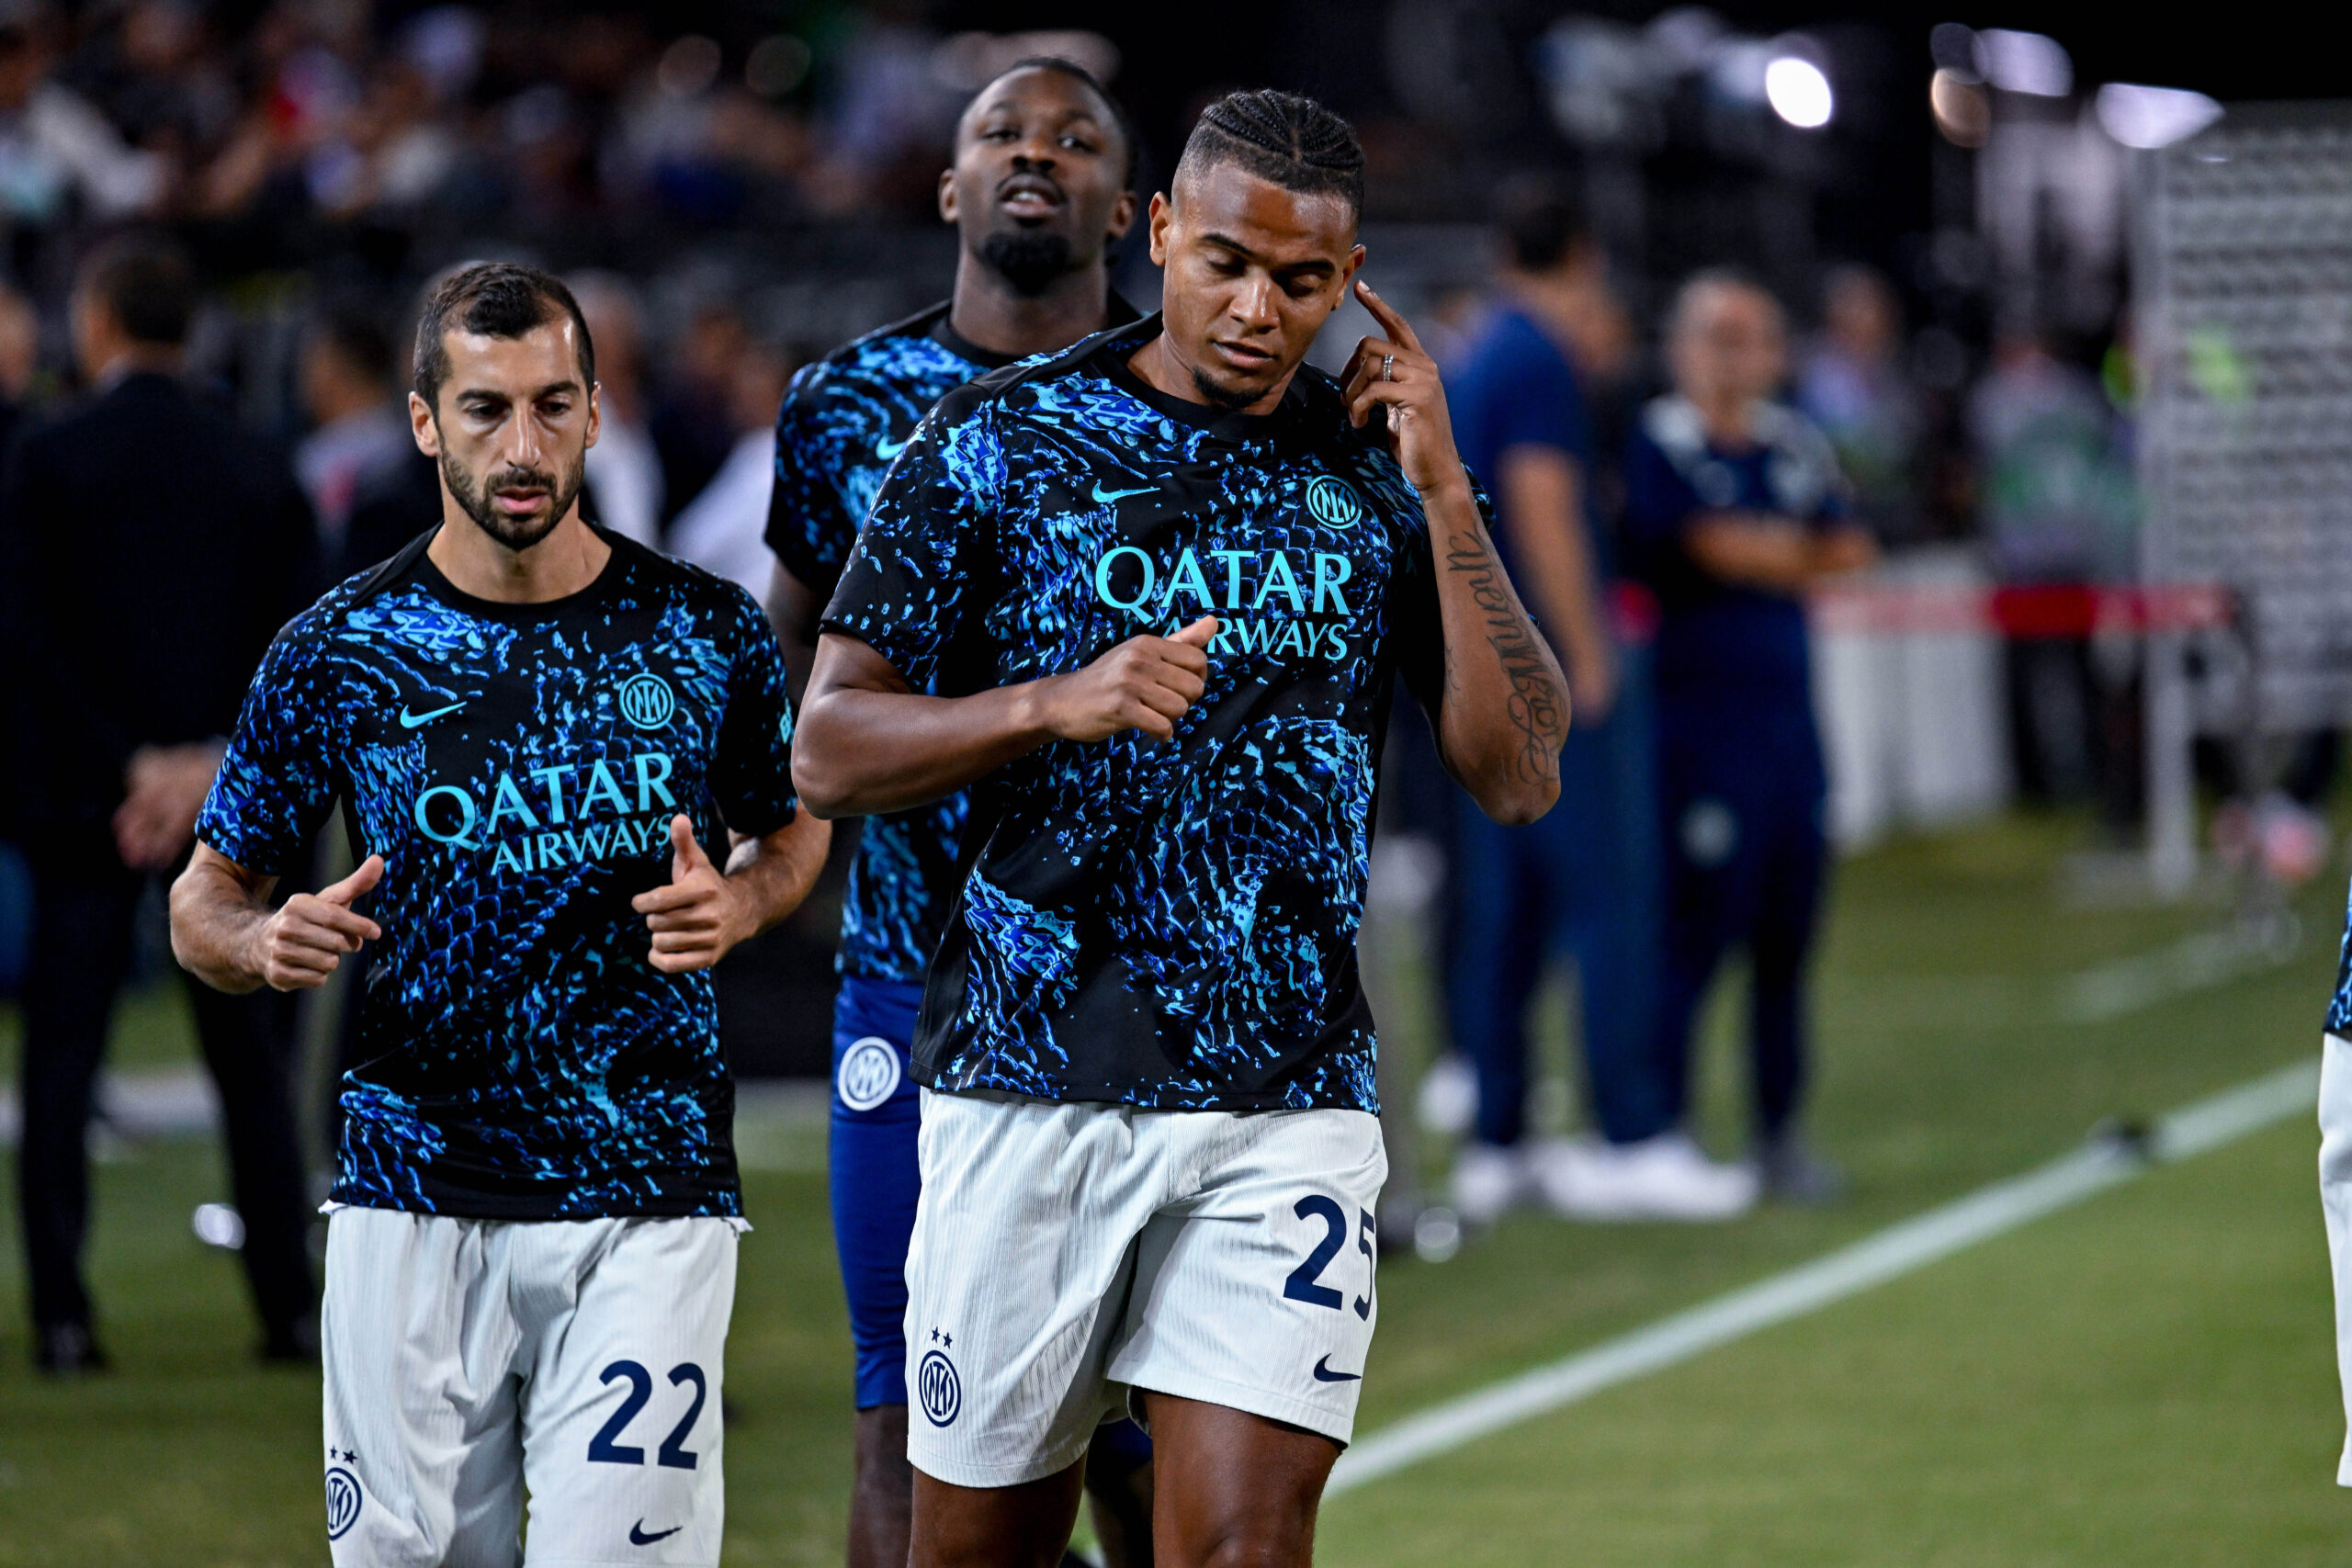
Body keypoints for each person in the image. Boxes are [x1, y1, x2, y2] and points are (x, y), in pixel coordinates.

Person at [795, 89, 1568, 1568]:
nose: (1259, 310)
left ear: (1351, 281)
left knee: (1241, 1548)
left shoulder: (1376, 468)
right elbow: (827, 746)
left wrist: (1447, 491)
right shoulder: (1000, 439)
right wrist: (1051, 701)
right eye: (1226, 263)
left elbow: (1522, 770)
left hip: (1287, 1098)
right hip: (1029, 1083)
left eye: (1301, 279)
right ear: (1159, 232)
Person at [167, 263, 831, 1565]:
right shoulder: (339, 649)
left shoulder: (704, 632)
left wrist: (743, 900)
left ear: (596, 413)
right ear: (425, 421)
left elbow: (793, 823)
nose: (521, 447)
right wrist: (258, 940)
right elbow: (207, 891)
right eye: (484, 409)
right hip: (409, 1191)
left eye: (551, 405)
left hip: (647, 1187)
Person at [763, 57, 1152, 1568]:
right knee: (906, 1415)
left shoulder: (1182, 404)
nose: (1035, 154)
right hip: (911, 974)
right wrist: (774, 840)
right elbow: (791, 657)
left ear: (1128, 207)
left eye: (1075, 139)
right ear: (948, 186)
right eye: (1002, 133)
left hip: (1131, 989)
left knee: (1138, 1445)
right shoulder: (843, 405)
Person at [0, 233, 319, 1374]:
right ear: (193, 329)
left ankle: (63, 1319)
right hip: (228, 810)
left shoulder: (45, 457)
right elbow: (300, 643)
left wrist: (130, 764)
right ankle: (289, 1308)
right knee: (250, 1065)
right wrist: (207, 767)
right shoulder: (257, 460)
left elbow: (24, 634)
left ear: (96, 323)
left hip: (85, 801)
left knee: (62, 1061)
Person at [1442, 183, 1747, 1223]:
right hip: (1541, 670)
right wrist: (1582, 656)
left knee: (1508, 910)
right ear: (1581, 256)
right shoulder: (1536, 357)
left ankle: (1500, 1139)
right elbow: (1543, 504)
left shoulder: (1479, 351)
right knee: (1613, 898)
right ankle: (1632, 1134)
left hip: (1477, 669)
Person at [1625, 269, 1875, 1206]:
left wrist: (1757, 548)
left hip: (1789, 735)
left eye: (1753, 338)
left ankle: (1779, 1132)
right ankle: (1664, 1130)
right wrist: (1778, 549)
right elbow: (1698, 542)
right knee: (1693, 935)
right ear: (1681, 347)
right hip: (1700, 735)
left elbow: (1850, 548)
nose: (1737, 358)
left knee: (1787, 939)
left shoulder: (1792, 441)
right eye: (1718, 337)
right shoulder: (1662, 441)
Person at [294, 305, 413, 567]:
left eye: (312, 362)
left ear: (334, 368)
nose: (303, 377)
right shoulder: (414, 445)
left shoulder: (318, 464)